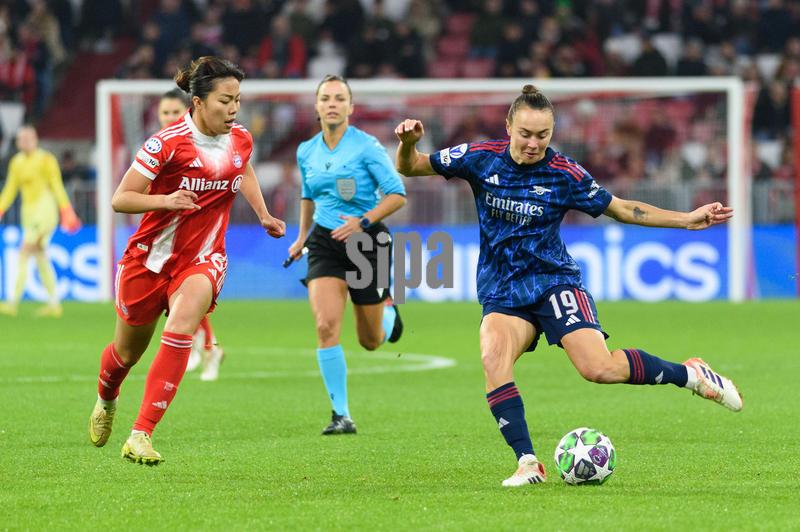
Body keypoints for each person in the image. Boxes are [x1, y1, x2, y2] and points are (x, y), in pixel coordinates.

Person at [394, 85, 743, 487]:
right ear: (508, 127)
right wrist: (408, 144)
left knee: (598, 368)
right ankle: (528, 462)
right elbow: (411, 167)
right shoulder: (480, 157)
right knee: (493, 359)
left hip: (554, 282)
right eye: (525, 133)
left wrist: (686, 219)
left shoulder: (565, 174)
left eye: (542, 135)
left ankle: (691, 375)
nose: (533, 143)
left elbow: (621, 208)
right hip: (504, 291)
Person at [87, 56, 286, 465]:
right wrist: (166, 200)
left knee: (181, 326)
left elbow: (244, 169)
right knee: (126, 355)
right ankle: (106, 398)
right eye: (225, 101)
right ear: (198, 102)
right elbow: (121, 198)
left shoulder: (240, 139)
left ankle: (140, 434)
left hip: (203, 258)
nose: (234, 109)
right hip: (149, 260)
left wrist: (263, 213)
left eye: (237, 100)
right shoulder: (166, 143)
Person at [288, 75, 406, 435]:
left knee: (370, 341)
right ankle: (341, 414)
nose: (332, 104)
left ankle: (387, 312)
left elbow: (397, 194)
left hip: (367, 243)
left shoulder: (367, 147)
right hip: (325, 242)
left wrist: (362, 222)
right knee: (325, 326)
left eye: (340, 98)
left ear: (351, 107)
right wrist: (301, 236)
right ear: (317, 106)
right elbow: (308, 195)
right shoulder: (306, 150)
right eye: (326, 98)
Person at [157, 88, 225, 381]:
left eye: (175, 112)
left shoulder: (201, 146)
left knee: (186, 297)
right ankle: (204, 346)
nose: (170, 117)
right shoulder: (157, 147)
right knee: (179, 300)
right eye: (165, 113)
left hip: (195, 237)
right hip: (165, 236)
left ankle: (207, 348)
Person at [0, 125, 81, 317]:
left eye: (29, 138)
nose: (25, 142)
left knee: (24, 251)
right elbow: (10, 189)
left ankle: (12, 302)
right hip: (28, 214)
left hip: (45, 212)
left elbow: (57, 186)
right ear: (18, 142)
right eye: (22, 139)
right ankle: (54, 304)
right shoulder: (16, 163)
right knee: (40, 256)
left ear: (35, 139)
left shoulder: (46, 160)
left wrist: (67, 211)